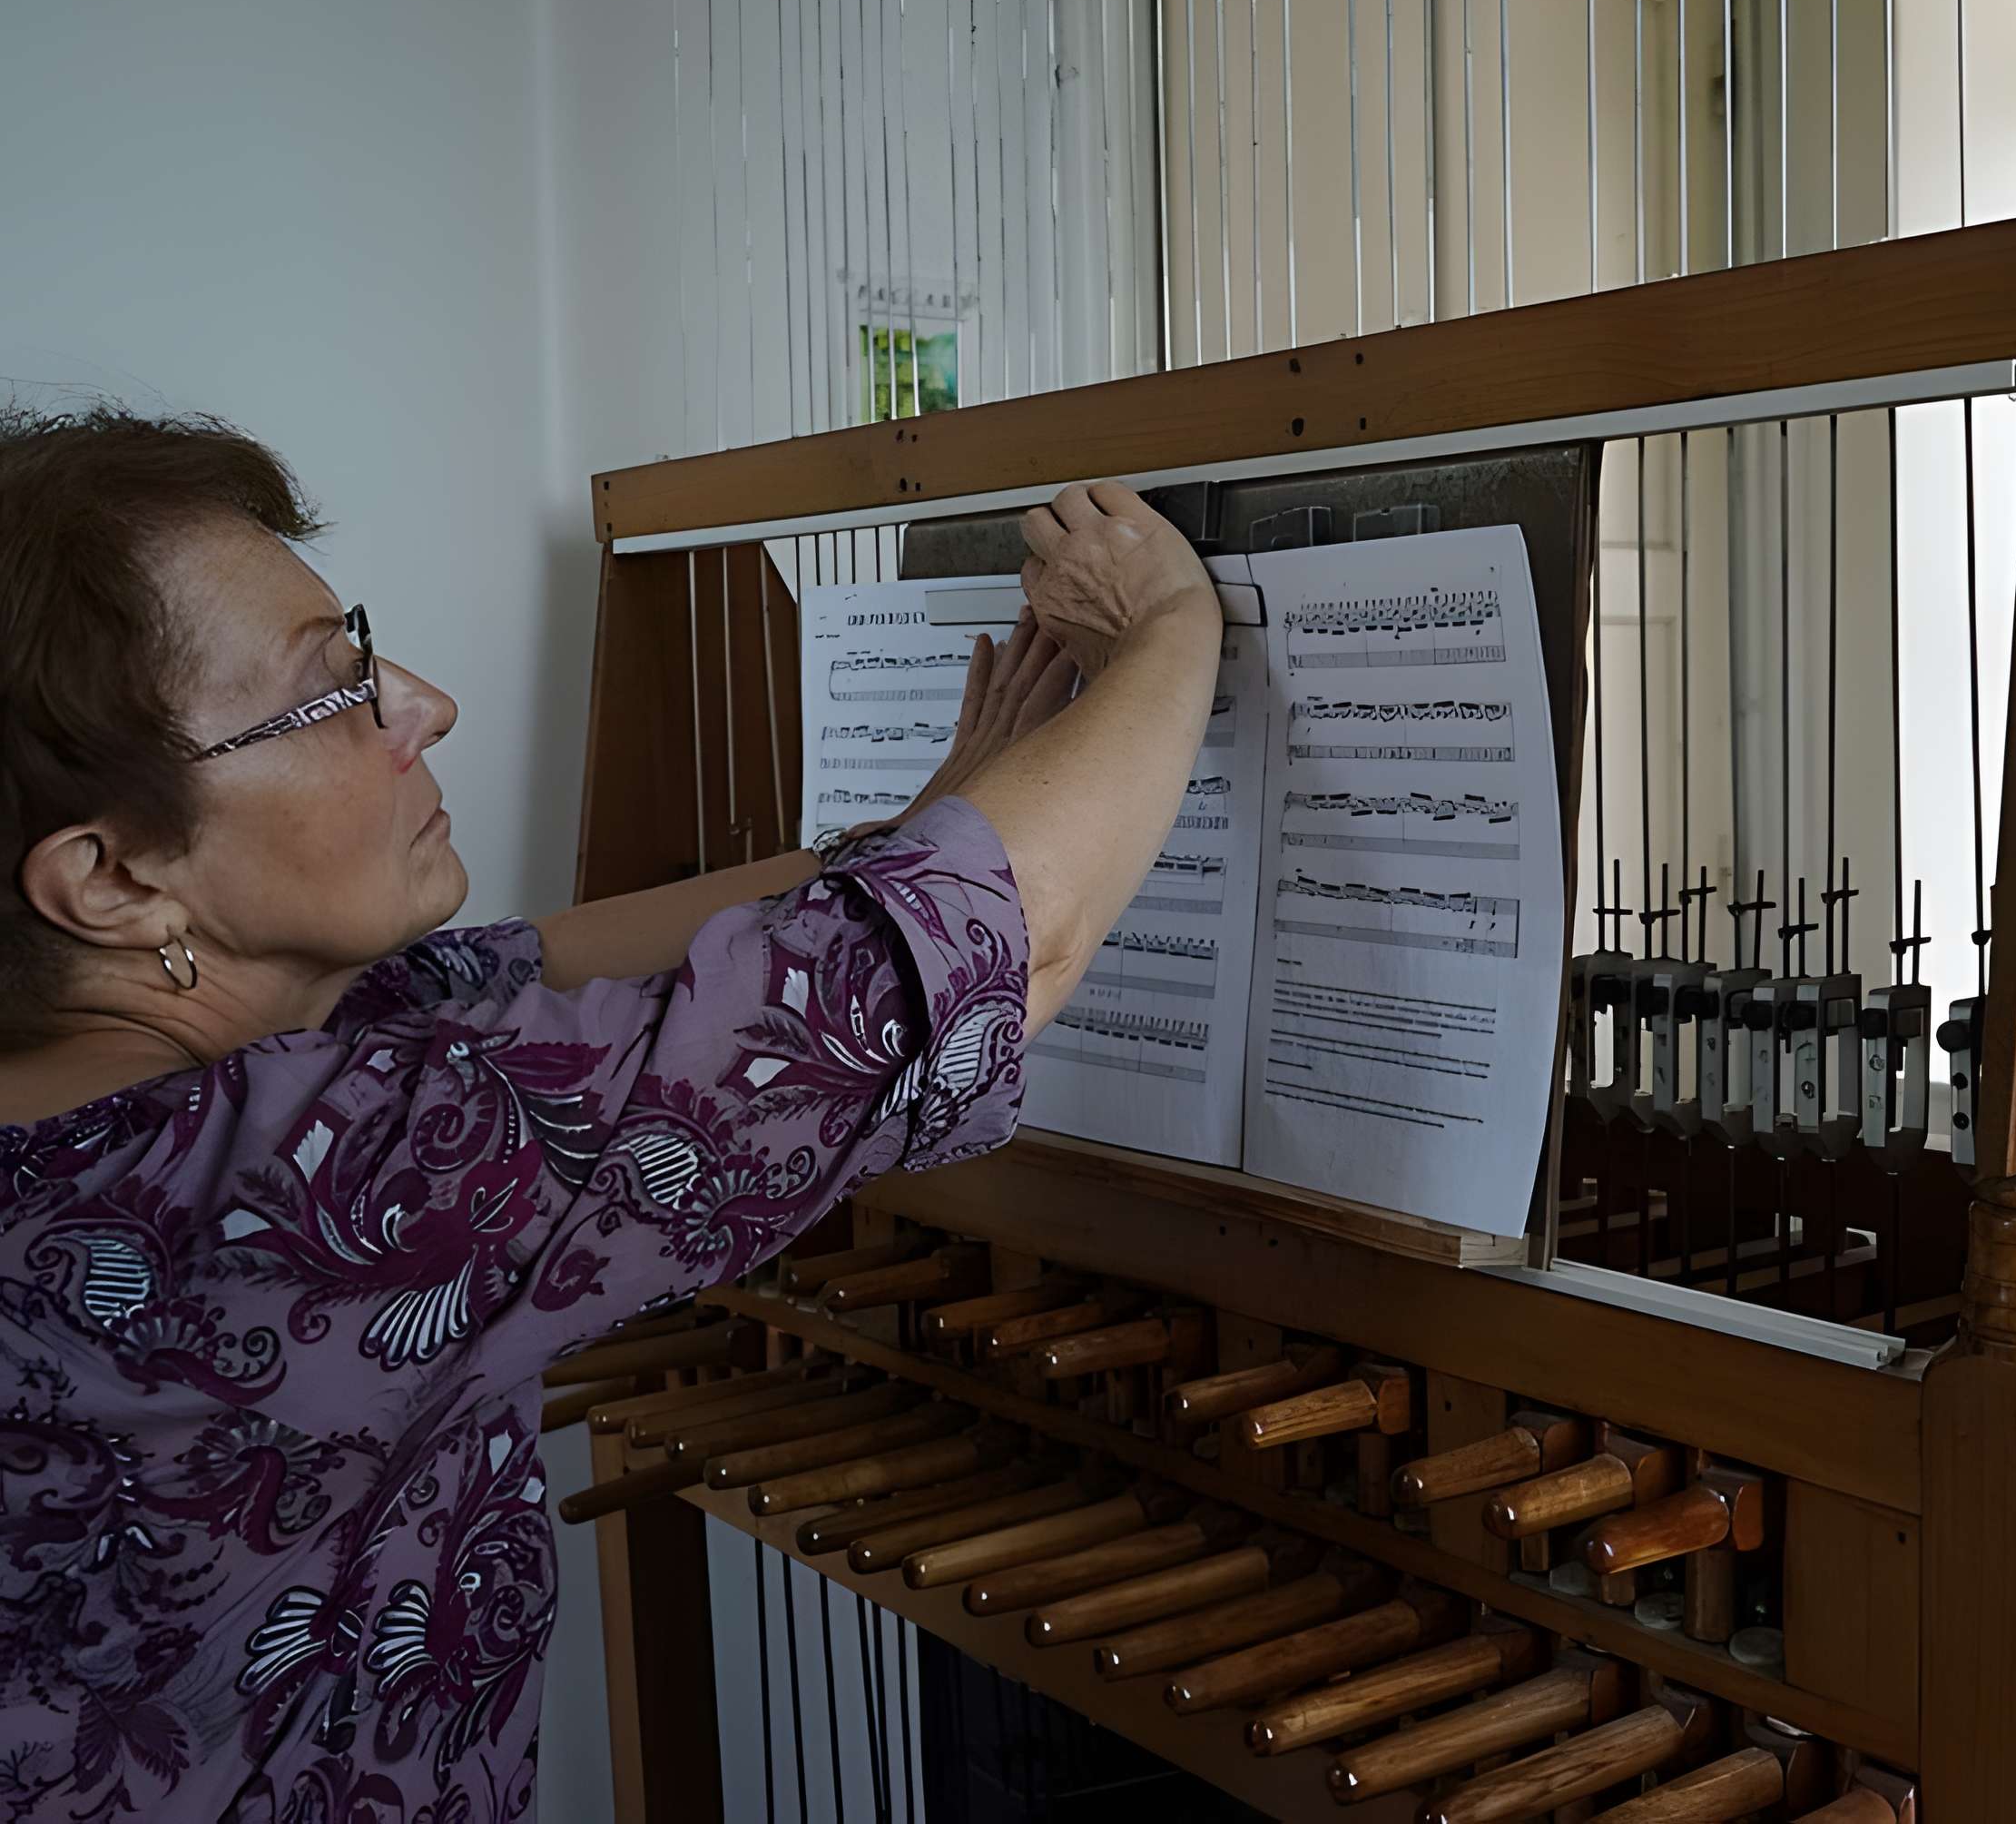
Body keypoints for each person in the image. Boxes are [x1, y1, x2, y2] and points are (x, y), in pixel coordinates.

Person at [0, 407, 1220, 1822]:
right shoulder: (256, 1191)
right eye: (333, 687)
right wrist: (1174, 628)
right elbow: (983, 957)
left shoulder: (187, 1081)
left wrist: (924, 828)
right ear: (113, 880)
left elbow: (534, 969)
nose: (422, 702)